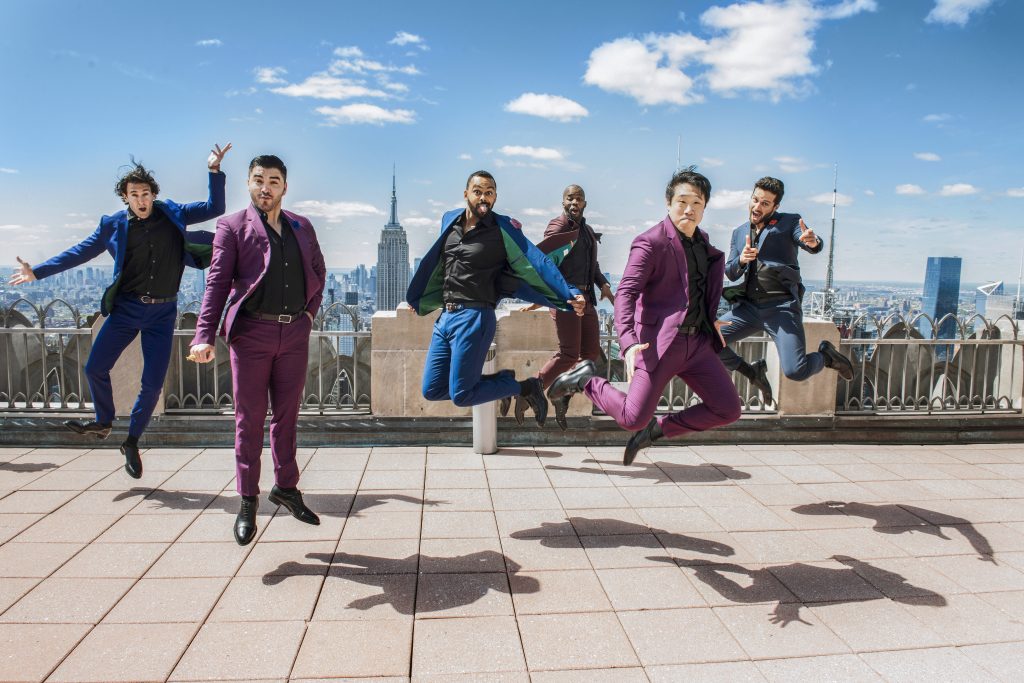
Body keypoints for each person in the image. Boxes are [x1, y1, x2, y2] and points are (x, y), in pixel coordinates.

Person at [8, 144, 231, 479]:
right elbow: (79, 253)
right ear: (125, 197)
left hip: (163, 312)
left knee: (153, 384)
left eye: (145, 193)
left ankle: (131, 440)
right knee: (95, 367)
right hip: (127, 308)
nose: (140, 199)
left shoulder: (173, 212)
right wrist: (36, 272)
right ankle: (103, 421)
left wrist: (213, 171)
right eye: (133, 194)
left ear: (154, 195)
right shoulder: (113, 225)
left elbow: (216, 206)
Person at [548, 167, 741, 465]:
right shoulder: (651, 242)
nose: (689, 209)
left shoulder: (704, 243)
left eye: (697, 203)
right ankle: (586, 380)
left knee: (728, 408)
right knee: (631, 418)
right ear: (669, 203)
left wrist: (708, 316)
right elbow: (626, 293)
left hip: (698, 344)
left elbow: (694, 290)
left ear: (705, 207)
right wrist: (628, 342)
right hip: (659, 345)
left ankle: (658, 429)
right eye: (682, 201)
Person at [189, 154, 326, 546]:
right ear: (249, 184)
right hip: (251, 335)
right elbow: (216, 283)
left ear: (285, 186)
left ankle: (286, 487)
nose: (265, 187)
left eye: (274, 181)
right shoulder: (232, 227)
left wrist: (309, 317)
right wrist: (203, 335)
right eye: (258, 180)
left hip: (294, 334)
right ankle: (247, 501)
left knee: (286, 418)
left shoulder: (302, 226)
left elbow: (318, 270)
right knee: (249, 422)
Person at [406, 170, 585, 426]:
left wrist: (571, 293)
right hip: (445, 317)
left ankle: (524, 388)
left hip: (475, 317)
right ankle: (506, 383)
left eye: (489, 193)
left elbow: (538, 262)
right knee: (432, 389)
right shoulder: (450, 221)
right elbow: (441, 267)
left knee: (462, 394)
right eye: (478, 191)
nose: (483, 198)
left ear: (495, 197)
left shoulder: (502, 229)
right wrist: (420, 299)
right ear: (466, 193)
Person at [718, 176, 853, 405]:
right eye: (755, 200)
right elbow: (730, 272)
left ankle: (827, 356)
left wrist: (813, 242)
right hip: (748, 309)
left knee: (795, 370)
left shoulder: (789, 222)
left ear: (775, 206)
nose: (757, 207)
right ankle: (752, 373)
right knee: (707, 341)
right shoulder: (739, 233)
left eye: (765, 203)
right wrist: (741, 260)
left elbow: (809, 241)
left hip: (780, 309)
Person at [512, 184, 613, 430]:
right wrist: (550, 295)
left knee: (589, 355)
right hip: (566, 298)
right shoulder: (558, 227)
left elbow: (594, 266)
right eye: (570, 198)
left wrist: (605, 286)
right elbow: (545, 263)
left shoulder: (587, 231)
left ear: (585, 203)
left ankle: (562, 396)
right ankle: (529, 390)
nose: (574, 202)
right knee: (568, 353)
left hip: (587, 299)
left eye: (578, 198)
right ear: (563, 202)